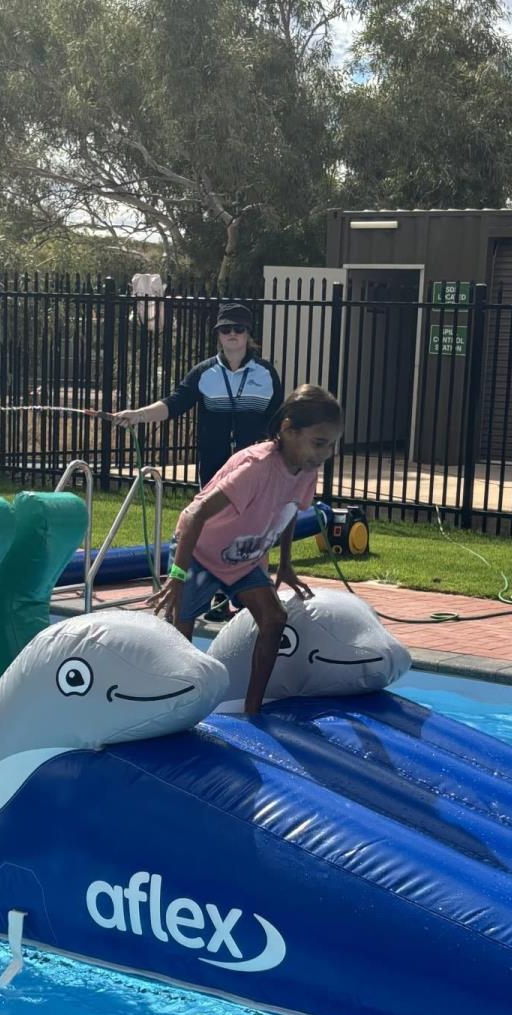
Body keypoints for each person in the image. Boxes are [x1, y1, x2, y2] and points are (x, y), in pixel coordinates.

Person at [149, 384, 344, 715]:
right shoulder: (256, 468)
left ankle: (253, 710)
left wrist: (285, 565)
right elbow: (196, 514)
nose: (325, 454)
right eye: (319, 443)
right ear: (288, 430)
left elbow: (290, 511)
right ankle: (176, 709)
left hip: (242, 559)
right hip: (199, 553)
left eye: (332, 445)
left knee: (274, 618)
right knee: (181, 633)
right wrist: (178, 577)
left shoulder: (305, 470)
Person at [114, 302, 284, 487]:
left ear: (248, 333)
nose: (232, 333)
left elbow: (279, 420)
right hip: (213, 466)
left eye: (239, 328)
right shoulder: (204, 372)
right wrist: (138, 415)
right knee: (214, 516)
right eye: (226, 329)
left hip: (256, 466)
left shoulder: (266, 373)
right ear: (218, 334)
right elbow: (175, 403)